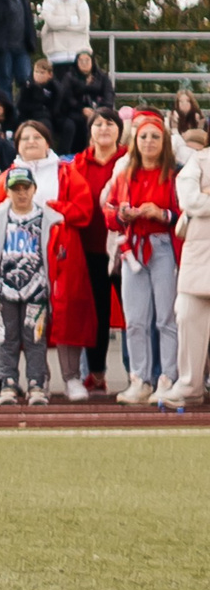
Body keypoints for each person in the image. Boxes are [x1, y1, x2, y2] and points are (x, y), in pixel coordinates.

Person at [0, 123, 97, 401]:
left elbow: (84, 211)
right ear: (17, 144)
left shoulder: (66, 172)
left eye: (37, 137)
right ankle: (33, 379)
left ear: (48, 142)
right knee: (17, 329)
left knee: (66, 317)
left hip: (63, 256)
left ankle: (71, 377)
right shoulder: (8, 177)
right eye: (25, 138)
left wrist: (52, 208)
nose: (31, 142)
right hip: (17, 267)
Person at [102, 112, 181, 406]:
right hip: (132, 249)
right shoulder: (125, 175)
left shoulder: (174, 175)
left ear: (164, 141)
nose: (148, 142)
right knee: (135, 319)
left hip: (162, 246)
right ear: (135, 140)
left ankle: (167, 377)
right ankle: (140, 378)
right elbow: (108, 209)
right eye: (143, 136)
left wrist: (163, 214)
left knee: (166, 318)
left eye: (155, 137)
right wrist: (121, 214)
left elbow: (183, 213)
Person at [0, 166, 60, 405]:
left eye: (25, 188)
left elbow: (55, 251)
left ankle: (36, 383)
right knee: (6, 337)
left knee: (35, 338)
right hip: (4, 290)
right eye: (15, 189)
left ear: (34, 189)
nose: (21, 193)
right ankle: (8, 382)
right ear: (7, 191)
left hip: (37, 289)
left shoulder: (49, 218)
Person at [60, 110, 124, 399]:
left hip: (123, 248)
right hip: (89, 250)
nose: (104, 128)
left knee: (135, 313)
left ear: (119, 130)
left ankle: (142, 374)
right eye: (98, 124)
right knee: (96, 314)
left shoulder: (129, 160)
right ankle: (96, 374)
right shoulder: (76, 164)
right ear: (90, 131)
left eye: (110, 123)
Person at [173, 136, 210, 408]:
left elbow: (199, 202)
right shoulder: (198, 160)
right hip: (199, 252)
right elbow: (189, 200)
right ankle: (189, 386)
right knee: (187, 315)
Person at [40, 0, 91, 73]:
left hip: (78, 55)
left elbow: (83, 25)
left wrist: (59, 25)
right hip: (55, 55)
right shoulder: (48, 1)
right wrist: (71, 20)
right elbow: (51, 23)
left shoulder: (80, 2)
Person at [14, 56, 64, 144]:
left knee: (68, 125)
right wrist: (39, 107)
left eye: (42, 73)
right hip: (29, 115)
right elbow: (20, 105)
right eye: (36, 72)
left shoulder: (54, 87)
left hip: (48, 115)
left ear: (50, 75)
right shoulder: (27, 86)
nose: (38, 75)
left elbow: (57, 104)